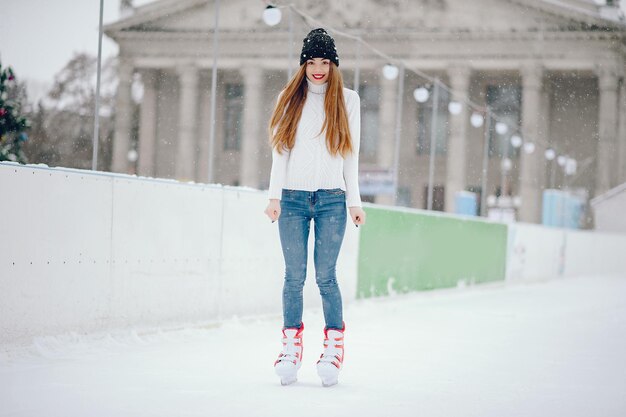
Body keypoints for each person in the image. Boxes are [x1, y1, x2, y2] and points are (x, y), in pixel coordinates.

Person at [264, 28, 366, 387]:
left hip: (332, 200)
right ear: (303, 64)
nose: (318, 68)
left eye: (325, 61)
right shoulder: (288, 98)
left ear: (334, 64)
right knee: (294, 277)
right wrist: (274, 195)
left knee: (326, 277)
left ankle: (333, 347)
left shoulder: (348, 100)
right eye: (312, 61)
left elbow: (350, 154)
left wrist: (354, 200)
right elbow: (281, 151)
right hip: (291, 198)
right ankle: (290, 348)